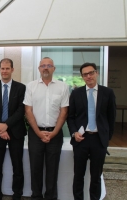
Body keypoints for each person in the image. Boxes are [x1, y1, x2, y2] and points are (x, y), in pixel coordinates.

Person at [67, 63, 116, 200]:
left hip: (99, 140)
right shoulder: (76, 93)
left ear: (96, 73)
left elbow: (112, 118)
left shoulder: (108, 93)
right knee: (78, 175)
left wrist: (106, 138)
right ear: (82, 77)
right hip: (80, 139)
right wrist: (74, 132)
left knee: (96, 176)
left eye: (91, 73)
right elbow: (70, 117)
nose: (88, 76)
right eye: (85, 74)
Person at [24, 57, 69, 200]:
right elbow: (28, 111)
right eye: (43, 65)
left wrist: (54, 132)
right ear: (38, 69)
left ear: (54, 69)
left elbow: (64, 111)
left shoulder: (63, 87)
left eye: (49, 65)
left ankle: (50, 197)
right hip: (35, 133)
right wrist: (38, 132)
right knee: (35, 168)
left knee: (52, 169)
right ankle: (36, 196)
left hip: (55, 134)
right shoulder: (31, 86)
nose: (45, 68)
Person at [0, 58, 26, 200]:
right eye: (2, 68)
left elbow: (21, 109)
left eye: (7, 68)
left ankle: (17, 194)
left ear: (12, 70)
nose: (4, 71)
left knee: (17, 166)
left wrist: (7, 125)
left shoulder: (21, 88)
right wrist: (1, 128)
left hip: (16, 132)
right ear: (0, 70)